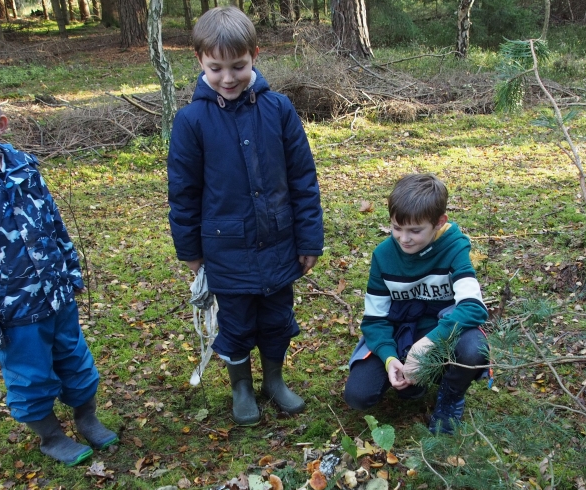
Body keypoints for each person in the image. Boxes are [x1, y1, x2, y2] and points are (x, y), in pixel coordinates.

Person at [0, 76, 117, 466]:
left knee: (75, 360)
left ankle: (88, 418)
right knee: (31, 378)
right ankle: (50, 436)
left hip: (56, 292)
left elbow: (52, 219)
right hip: (12, 311)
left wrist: (71, 269)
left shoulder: (22, 167)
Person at [168, 7, 324, 425]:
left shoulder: (279, 109)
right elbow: (183, 194)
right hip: (226, 249)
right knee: (235, 324)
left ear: (255, 55)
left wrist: (309, 240)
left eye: (238, 66)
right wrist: (191, 252)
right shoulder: (190, 121)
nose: (228, 77)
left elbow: (302, 179)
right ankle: (241, 387)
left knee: (277, 318)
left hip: (279, 243)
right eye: (216, 67)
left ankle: (274, 381)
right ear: (200, 60)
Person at [344, 173, 490, 433]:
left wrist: (426, 344)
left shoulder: (455, 249)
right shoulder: (383, 256)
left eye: (415, 230)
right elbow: (374, 320)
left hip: (440, 333)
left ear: (438, 222)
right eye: (397, 228)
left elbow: (473, 307)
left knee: (473, 349)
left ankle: (450, 396)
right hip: (401, 333)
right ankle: (412, 380)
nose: (404, 238)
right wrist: (390, 360)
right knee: (358, 395)